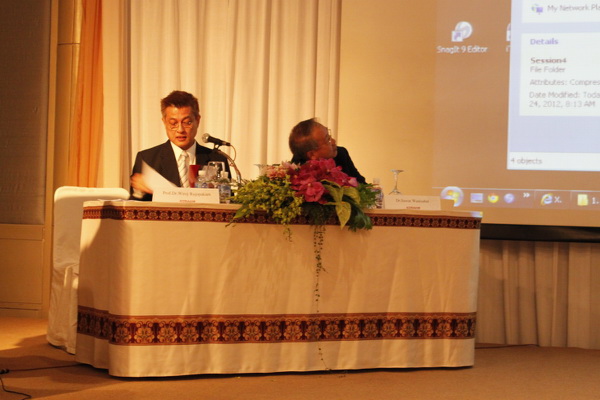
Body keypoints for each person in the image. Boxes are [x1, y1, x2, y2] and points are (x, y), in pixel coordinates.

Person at [130, 90, 230, 201]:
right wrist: (140, 192)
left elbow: (227, 201)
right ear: (164, 122)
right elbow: (135, 204)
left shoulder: (217, 160)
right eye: (173, 123)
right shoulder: (147, 159)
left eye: (187, 122)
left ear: (197, 120)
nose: (180, 130)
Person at [289, 118, 366, 183]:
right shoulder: (298, 171)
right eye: (328, 140)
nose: (333, 141)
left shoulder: (341, 153)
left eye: (329, 135)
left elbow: (361, 183)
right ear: (312, 154)